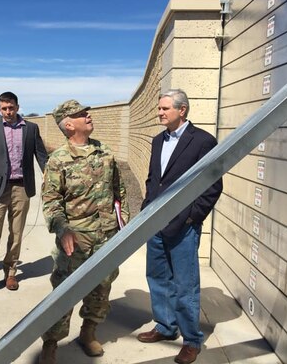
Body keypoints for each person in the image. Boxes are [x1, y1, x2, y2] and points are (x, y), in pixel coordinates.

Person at [39, 99, 130, 364]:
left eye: (86, 112)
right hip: (75, 241)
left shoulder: (106, 152)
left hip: (106, 237)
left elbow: (120, 191)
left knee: (101, 289)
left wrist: (123, 224)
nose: (88, 116)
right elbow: (51, 201)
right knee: (64, 293)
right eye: (80, 114)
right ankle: (51, 342)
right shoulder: (58, 160)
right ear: (68, 124)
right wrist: (63, 229)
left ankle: (88, 332)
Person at [137, 89, 223, 364]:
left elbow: (213, 186)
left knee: (185, 285)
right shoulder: (157, 140)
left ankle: (191, 339)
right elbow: (154, 179)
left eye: (165, 109)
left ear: (182, 110)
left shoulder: (203, 141)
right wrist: (147, 207)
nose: (160, 113)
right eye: (159, 109)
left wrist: (192, 217)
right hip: (156, 224)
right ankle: (165, 326)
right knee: (158, 277)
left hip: (183, 227)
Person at [0, 91, 48, 302]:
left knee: (16, 233)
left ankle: (11, 272)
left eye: (11, 108)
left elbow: (41, 156)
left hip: (21, 187)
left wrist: (48, 176)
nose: (8, 112)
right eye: (4, 108)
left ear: (17, 106)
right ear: (0, 109)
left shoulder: (31, 129)